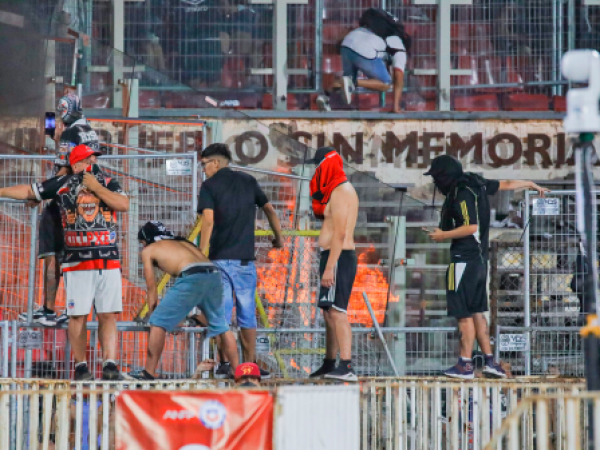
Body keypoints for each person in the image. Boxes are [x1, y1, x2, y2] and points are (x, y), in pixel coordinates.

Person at [0, 144, 129, 381]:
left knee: (108, 314)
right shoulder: (63, 184)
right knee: (77, 315)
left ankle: (110, 364)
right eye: (89, 160)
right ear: (76, 165)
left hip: (108, 261)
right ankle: (81, 367)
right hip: (76, 262)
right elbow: (30, 190)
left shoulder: (109, 182)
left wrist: (97, 188)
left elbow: (124, 205)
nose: (94, 163)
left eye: (95, 159)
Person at [424, 155, 549, 379]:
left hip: (463, 259)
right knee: (477, 312)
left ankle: (464, 364)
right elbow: (506, 184)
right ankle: (490, 362)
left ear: (445, 176)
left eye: (436, 178)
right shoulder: (476, 183)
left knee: (463, 314)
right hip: (480, 261)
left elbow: (470, 227)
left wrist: (443, 235)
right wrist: (530, 183)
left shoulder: (461, 192)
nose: (435, 183)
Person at [197, 143, 283, 379]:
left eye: (204, 164)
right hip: (244, 261)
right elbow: (270, 210)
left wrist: (201, 254)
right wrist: (279, 238)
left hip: (218, 261)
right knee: (247, 315)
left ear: (216, 163)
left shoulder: (209, 186)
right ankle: (250, 365)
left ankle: (225, 364)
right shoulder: (248, 181)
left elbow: (208, 221)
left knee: (222, 316)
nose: (203, 169)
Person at [20, 94, 100, 327]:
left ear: (66, 111)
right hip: (86, 199)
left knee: (51, 255)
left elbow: (64, 170)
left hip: (64, 199)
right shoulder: (90, 131)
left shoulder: (69, 133)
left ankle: (48, 310)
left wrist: (41, 193)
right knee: (74, 255)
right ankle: (71, 308)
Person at [131, 221, 239, 380]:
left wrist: (156, 316)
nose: (142, 247)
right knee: (221, 325)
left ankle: (148, 372)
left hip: (192, 276)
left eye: (142, 243)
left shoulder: (149, 250)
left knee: (158, 321)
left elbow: (152, 290)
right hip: (214, 274)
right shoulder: (183, 242)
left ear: (146, 240)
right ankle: (237, 372)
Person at [307, 147, 359, 382]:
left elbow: (340, 234)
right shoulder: (334, 191)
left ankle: (346, 365)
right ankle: (329, 362)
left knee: (338, 311)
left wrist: (330, 267)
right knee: (328, 312)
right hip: (331, 255)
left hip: (339, 256)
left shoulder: (342, 191)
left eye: (318, 167)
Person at [318, 8, 410, 113]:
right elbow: (398, 78)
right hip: (364, 49)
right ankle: (353, 82)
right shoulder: (400, 49)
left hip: (347, 44)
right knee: (385, 83)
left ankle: (324, 97)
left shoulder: (381, 31)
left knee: (344, 82)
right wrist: (396, 107)